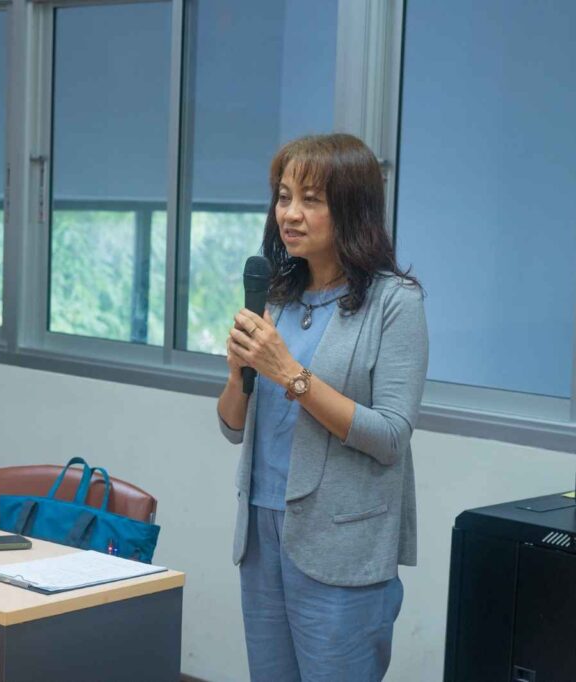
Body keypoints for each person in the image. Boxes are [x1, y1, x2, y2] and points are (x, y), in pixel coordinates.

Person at [216, 133, 428, 681]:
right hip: (261, 529)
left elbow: (390, 436)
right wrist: (239, 374)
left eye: (311, 200)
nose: (290, 214)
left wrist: (290, 373)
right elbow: (232, 426)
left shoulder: (395, 302)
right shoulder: (276, 296)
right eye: (284, 197)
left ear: (352, 209)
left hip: (341, 539)